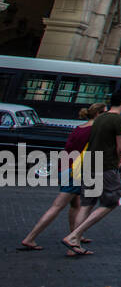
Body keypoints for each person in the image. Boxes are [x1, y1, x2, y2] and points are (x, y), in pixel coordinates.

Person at [17, 104, 103, 251]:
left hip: (65, 166)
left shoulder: (79, 128)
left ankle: (75, 235)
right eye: (105, 113)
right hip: (76, 170)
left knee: (75, 204)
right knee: (58, 206)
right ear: (98, 114)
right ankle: (31, 238)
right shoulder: (94, 130)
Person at [62, 89, 121, 255]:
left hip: (89, 163)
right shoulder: (119, 120)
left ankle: (75, 246)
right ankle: (73, 237)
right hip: (106, 165)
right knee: (111, 201)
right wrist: (118, 164)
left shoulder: (99, 118)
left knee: (86, 204)